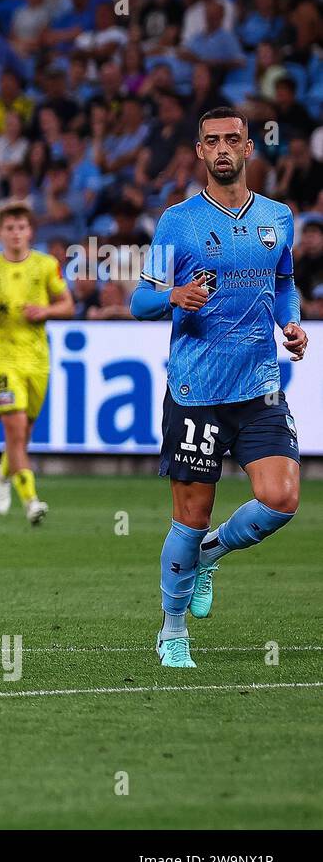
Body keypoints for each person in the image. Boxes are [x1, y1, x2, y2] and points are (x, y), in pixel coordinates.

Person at [131, 107, 306, 669]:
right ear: (201, 151)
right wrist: (173, 297)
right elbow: (139, 302)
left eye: (234, 139)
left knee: (281, 497)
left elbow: (284, 284)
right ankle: (173, 629)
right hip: (196, 389)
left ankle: (214, 553)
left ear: (250, 148)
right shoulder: (176, 223)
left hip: (259, 386)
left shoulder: (278, 218)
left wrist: (291, 324)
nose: (224, 148)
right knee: (191, 516)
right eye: (213, 141)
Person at [0, 202, 73, 525]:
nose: (16, 234)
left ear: (30, 231)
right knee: (15, 429)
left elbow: (67, 304)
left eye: (21, 228)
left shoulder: (46, 265)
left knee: (22, 436)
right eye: (9, 228)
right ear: (0, 233)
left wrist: (45, 311)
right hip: (4, 358)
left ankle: (2, 473)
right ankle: (31, 501)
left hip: (37, 361)